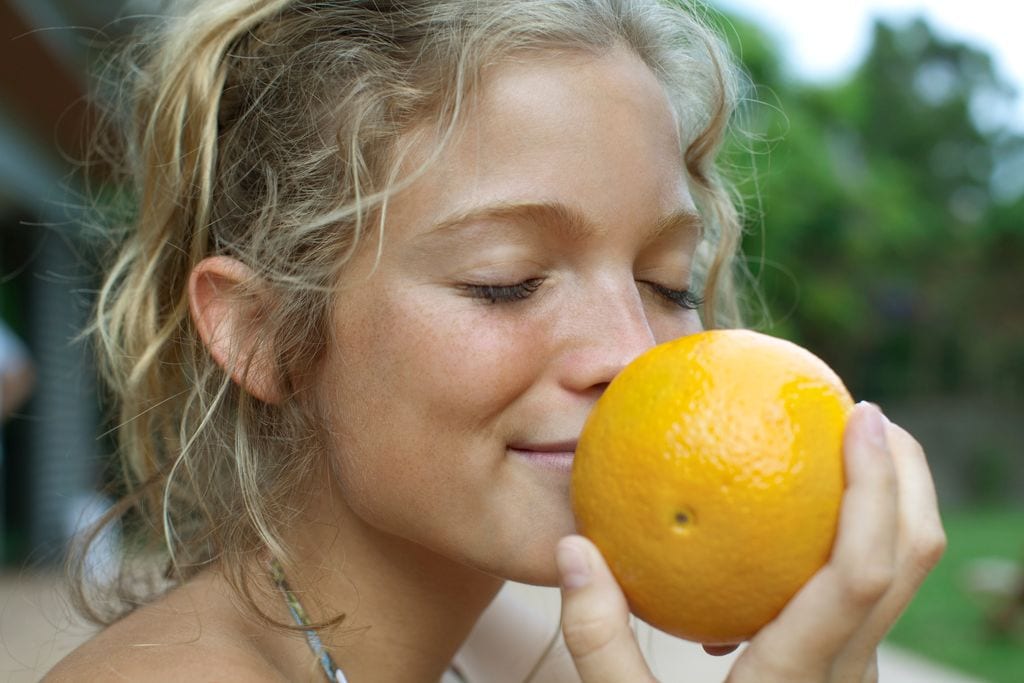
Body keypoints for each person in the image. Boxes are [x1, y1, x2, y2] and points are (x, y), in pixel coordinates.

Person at [48, 0, 946, 680]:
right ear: (263, 332)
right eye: (505, 281)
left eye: (667, 282)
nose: (636, 357)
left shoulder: (510, 641)